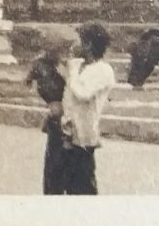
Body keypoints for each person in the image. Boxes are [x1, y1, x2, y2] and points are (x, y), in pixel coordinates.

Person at [56, 22, 116, 195]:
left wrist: (73, 70)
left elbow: (82, 93)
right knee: (65, 186)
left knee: (83, 187)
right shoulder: (80, 67)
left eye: (79, 41)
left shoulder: (103, 70)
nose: (74, 45)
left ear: (88, 44)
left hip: (84, 136)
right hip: (68, 135)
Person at [25, 46, 68, 195]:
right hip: (55, 107)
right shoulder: (40, 63)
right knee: (54, 161)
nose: (56, 54)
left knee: (56, 160)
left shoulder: (62, 65)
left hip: (61, 109)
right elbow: (29, 80)